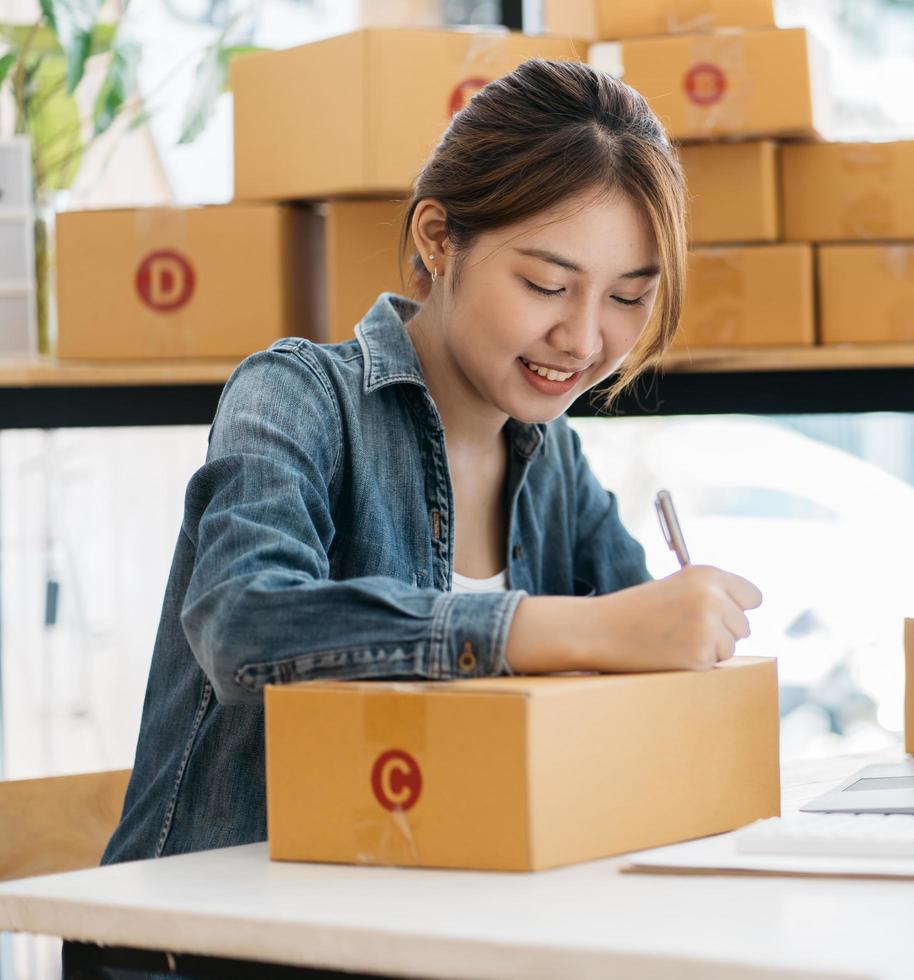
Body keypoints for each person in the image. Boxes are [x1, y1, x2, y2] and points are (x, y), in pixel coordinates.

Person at [99, 58, 763, 866]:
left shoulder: (555, 467)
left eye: (628, 299)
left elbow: (640, 683)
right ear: (439, 239)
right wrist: (565, 629)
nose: (585, 340)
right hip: (214, 937)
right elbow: (244, 626)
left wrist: (689, 641)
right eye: (548, 284)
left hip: (430, 911)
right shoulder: (296, 396)